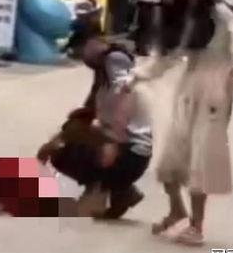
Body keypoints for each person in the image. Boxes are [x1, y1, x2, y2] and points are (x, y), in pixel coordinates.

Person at [132, 0, 233, 246]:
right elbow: (167, 58)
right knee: (171, 156)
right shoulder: (181, 15)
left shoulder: (219, 13)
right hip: (189, 87)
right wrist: (136, 76)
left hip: (215, 89)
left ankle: (197, 226)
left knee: (201, 157)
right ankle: (176, 210)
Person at [38, 35, 152, 220]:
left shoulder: (114, 59)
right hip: (125, 149)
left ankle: (100, 190)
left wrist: (113, 140)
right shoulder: (101, 77)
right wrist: (54, 142)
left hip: (130, 150)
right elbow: (84, 116)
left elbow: (126, 93)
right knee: (66, 141)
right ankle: (121, 191)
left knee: (78, 148)